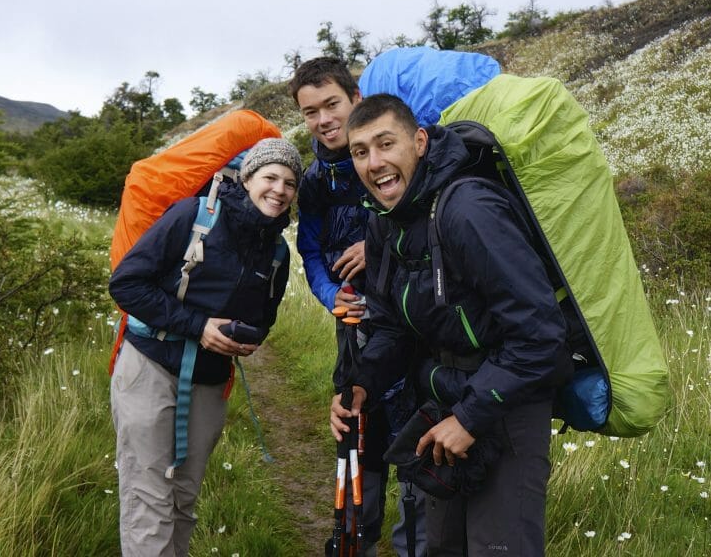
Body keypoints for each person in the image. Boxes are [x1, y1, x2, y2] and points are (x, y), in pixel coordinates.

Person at [331, 94, 572, 556]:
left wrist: (470, 416)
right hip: (444, 404)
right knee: (441, 549)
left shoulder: (468, 210)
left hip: (508, 408)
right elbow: (392, 325)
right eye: (360, 152)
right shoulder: (384, 222)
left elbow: (541, 334)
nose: (375, 163)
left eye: (386, 144)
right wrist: (362, 383)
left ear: (419, 142)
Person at [109, 137, 302, 557]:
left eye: (289, 182)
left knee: (183, 496)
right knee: (149, 496)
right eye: (270, 176)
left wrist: (246, 337)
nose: (280, 189)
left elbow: (264, 319)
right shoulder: (191, 217)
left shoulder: (277, 253)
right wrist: (198, 326)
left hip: (209, 381)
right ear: (247, 178)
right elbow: (126, 284)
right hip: (150, 365)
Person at [291, 57, 426, 557]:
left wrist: (379, 245)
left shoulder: (389, 156)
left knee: (413, 431)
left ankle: (415, 544)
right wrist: (332, 297)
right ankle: (355, 538)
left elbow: (419, 221)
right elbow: (309, 248)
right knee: (358, 430)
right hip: (353, 329)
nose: (324, 119)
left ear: (354, 98)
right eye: (310, 112)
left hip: (411, 326)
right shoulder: (313, 182)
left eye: (332, 104)